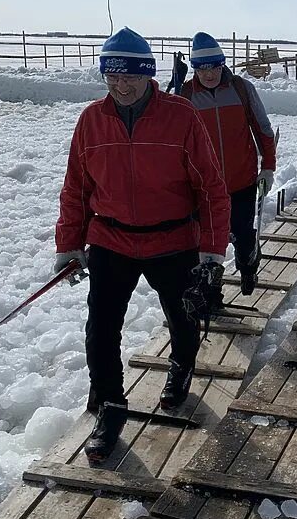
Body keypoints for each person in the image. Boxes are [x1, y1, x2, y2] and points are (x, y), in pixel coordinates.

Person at [55, 27, 230, 462]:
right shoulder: (91, 119)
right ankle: (111, 406)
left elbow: (211, 189)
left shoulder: (181, 117)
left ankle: (181, 365)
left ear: (148, 75)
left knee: (182, 316)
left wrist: (212, 254)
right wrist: (69, 245)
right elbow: (76, 186)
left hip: (172, 239)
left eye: (130, 77)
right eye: (112, 77)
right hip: (110, 239)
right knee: (100, 331)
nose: (121, 85)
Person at [179, 32, 276, 298]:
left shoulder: (242, 89)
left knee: (243, 237)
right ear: (195, 68)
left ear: (223, 64)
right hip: (202, 188)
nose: (209, 74)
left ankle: (248, 266)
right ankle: (212, 295)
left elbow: (263, 131)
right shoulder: (185, 94)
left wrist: (268, 166)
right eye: (202, 68)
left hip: (241, 182)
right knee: (206, 243)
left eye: (215, 67)